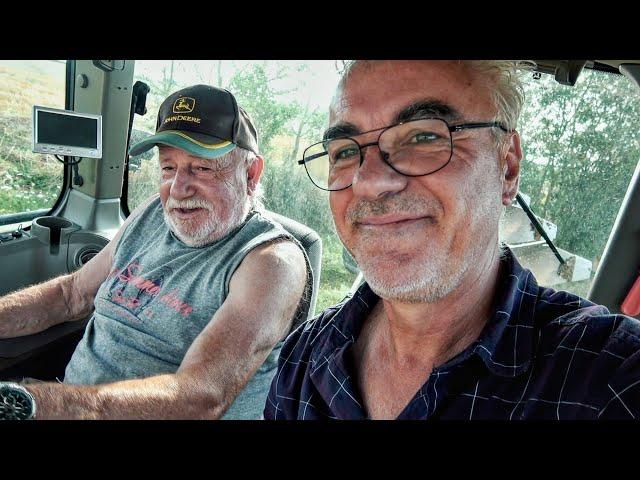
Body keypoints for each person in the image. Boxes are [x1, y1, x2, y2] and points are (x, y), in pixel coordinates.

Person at [264, 60, 640, 420]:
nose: (369, 182)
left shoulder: (611, 377)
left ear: (507, 168)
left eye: (424, 135)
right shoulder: (306, 354)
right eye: (344, 151)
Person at [0, 84, 309, 420]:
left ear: (250, 174)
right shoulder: (151, 214)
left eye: (201, 168)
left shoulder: (271, 262)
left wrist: (44, 404)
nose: (177, 189)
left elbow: (199, 396)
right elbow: (70, 294)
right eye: (168, 168)